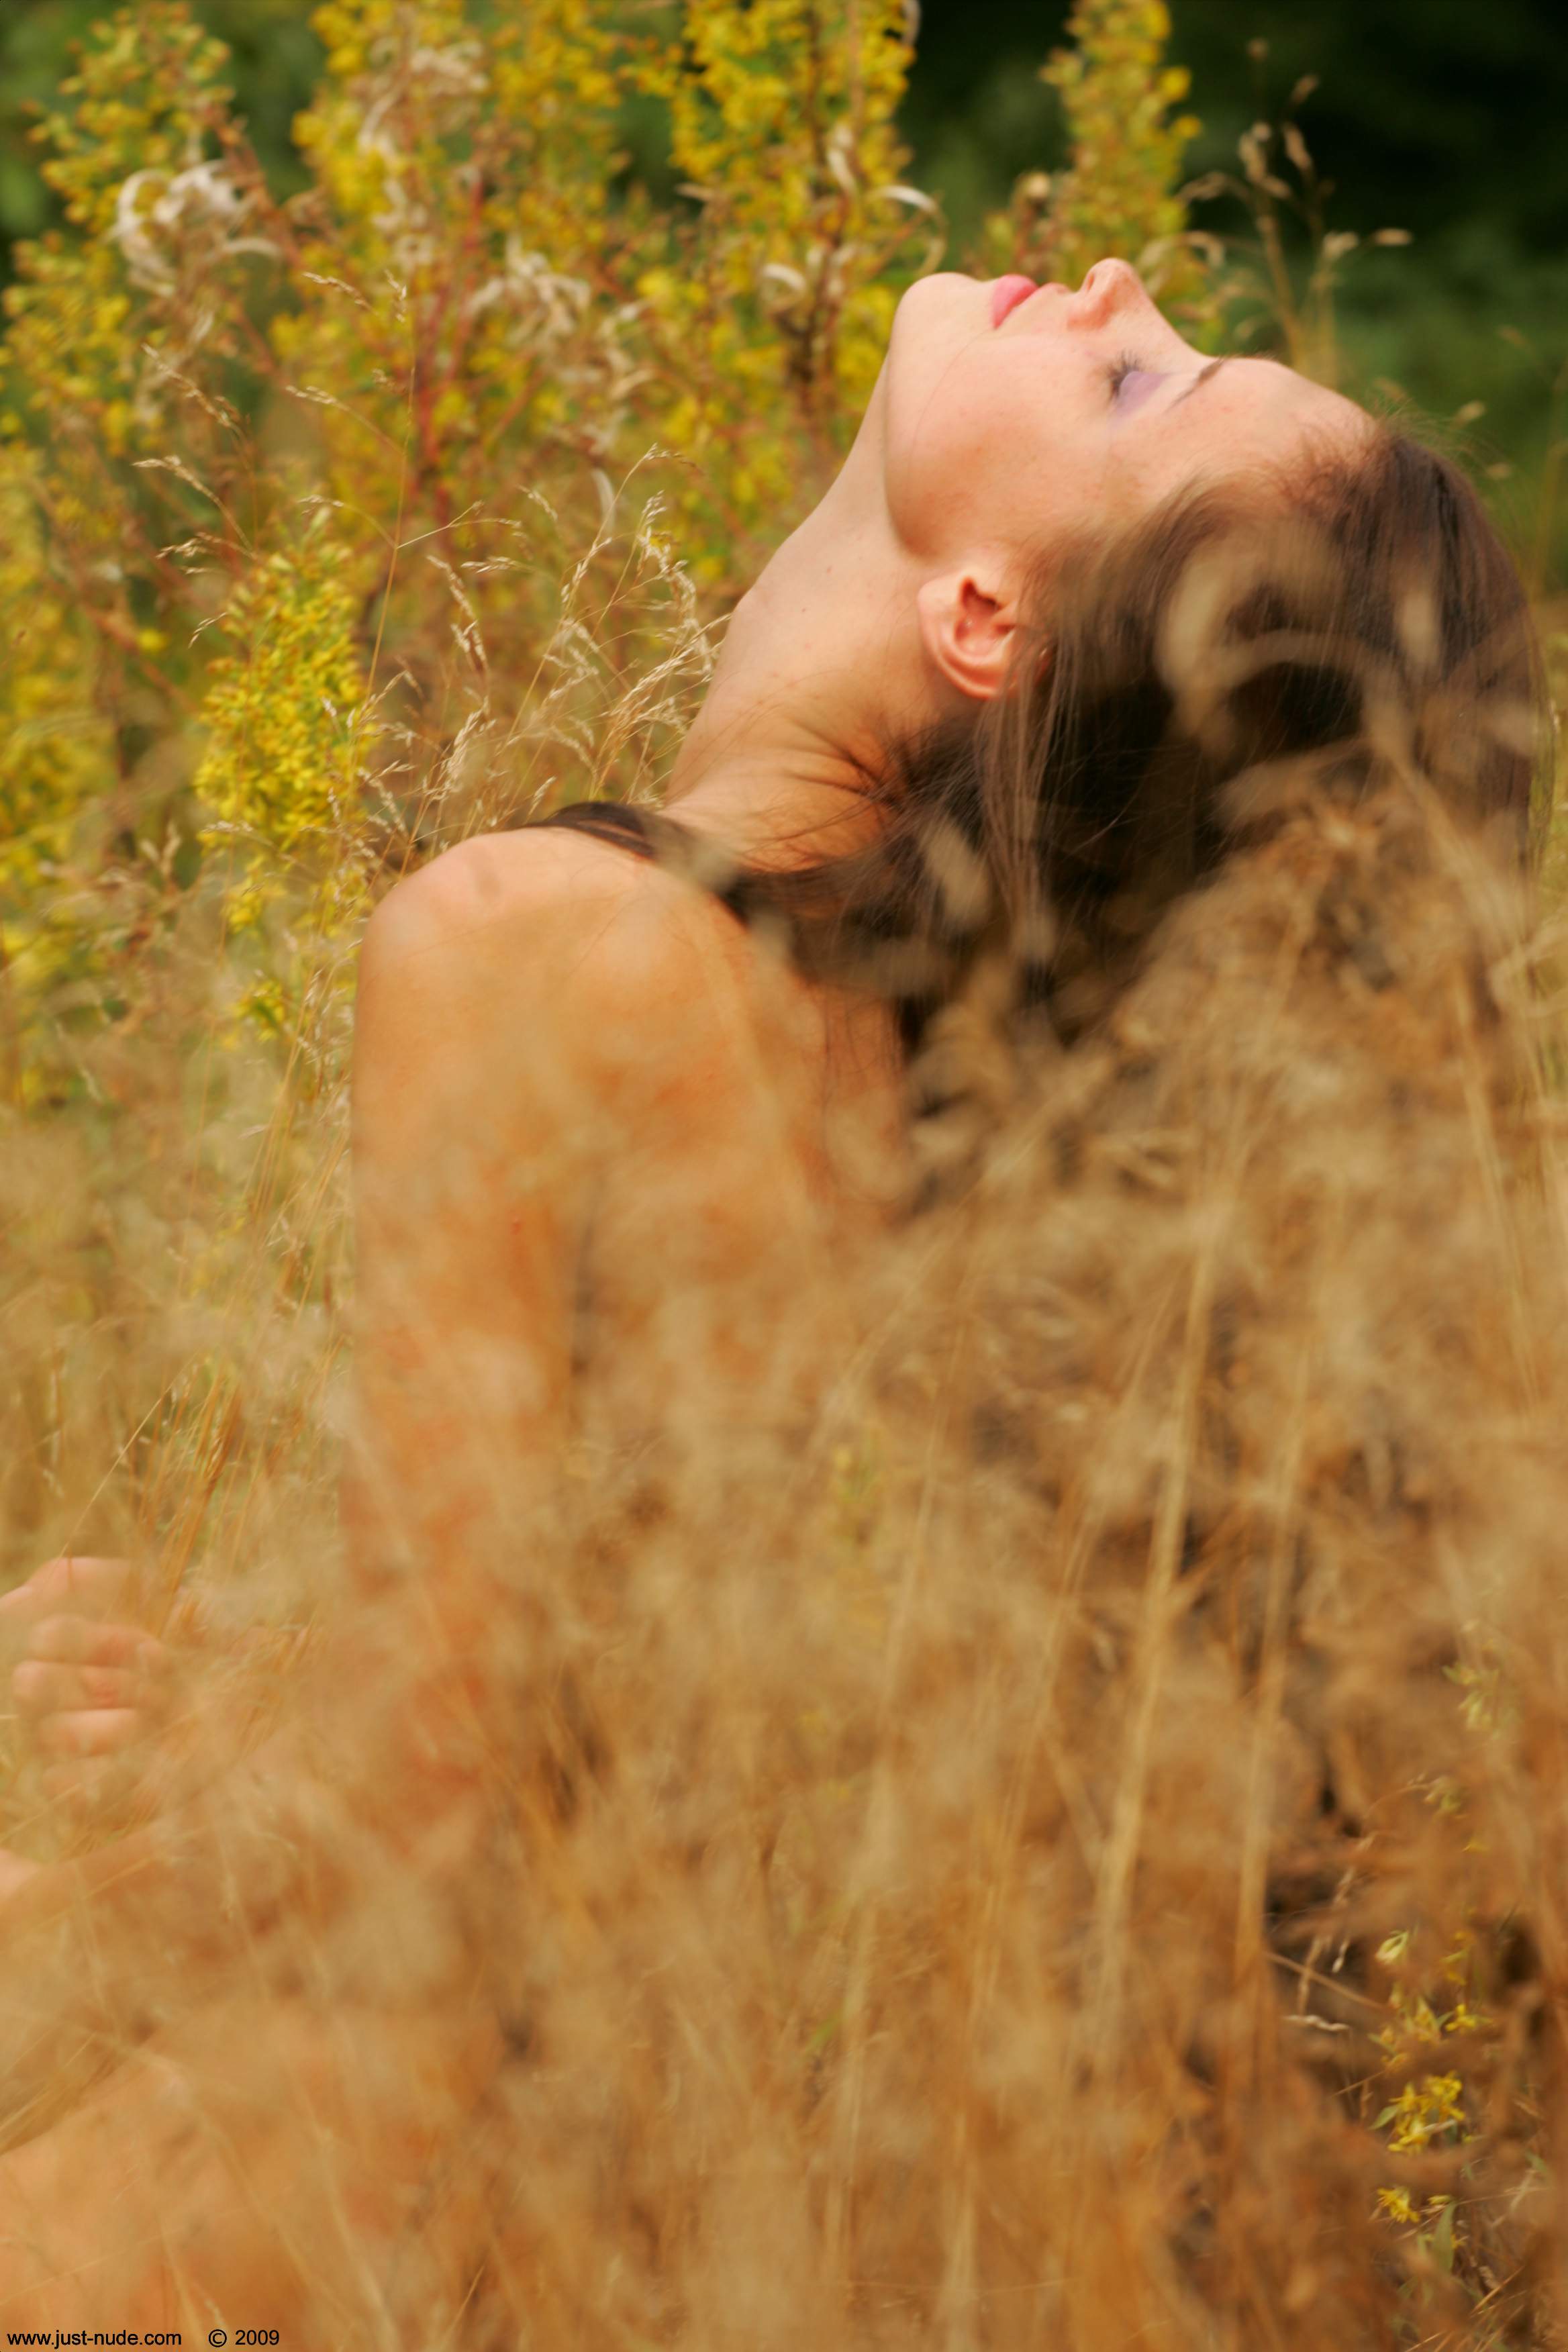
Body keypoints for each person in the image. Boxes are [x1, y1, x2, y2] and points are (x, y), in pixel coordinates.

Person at [0, 258, 1542, 2335]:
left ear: (986, 619)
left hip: (343, 2167)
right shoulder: (961, 1107)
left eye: (1133, 385)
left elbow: (420, 1813)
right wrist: (229, 1723)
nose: (1116, 281)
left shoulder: (537, 940)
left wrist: (53, 1908)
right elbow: (612, 1741)